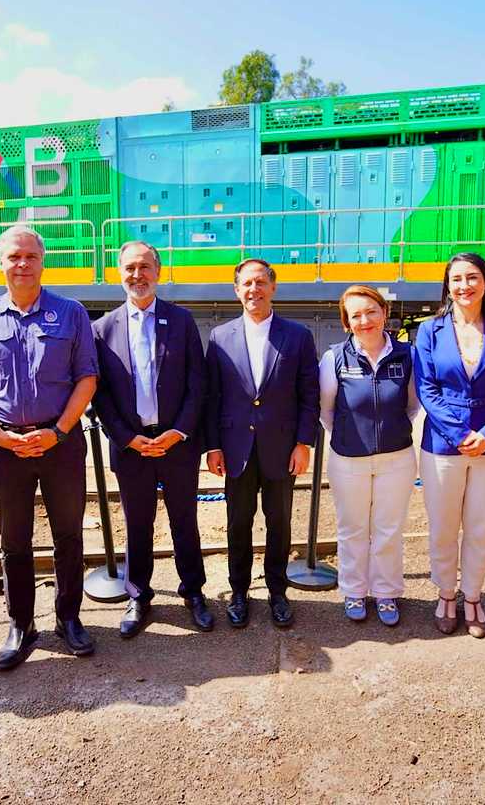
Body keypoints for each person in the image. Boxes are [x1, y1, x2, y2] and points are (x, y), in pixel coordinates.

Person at [0, 225, 99, 669]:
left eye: (30, 257)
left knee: (69, 535)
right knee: (14, 539)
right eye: (13, 257)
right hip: (6, 446)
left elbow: (87, 379)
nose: (22, 264)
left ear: (42, 261)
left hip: (61, 442)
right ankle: (21, 624)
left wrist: (58, 431)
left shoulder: (71, 313)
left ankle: (69, 618)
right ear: (0, 262)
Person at [92, 241, 213, 638]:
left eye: (145, 267)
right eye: (129, 268)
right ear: (119, 273)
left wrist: (179, 431)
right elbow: (101, 394)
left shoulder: (181, 321)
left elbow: (198, 383)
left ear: (158, 272)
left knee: (184, 520)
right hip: (132, 447)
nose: (137, 275)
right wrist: (127, 438)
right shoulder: (102, 329)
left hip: (177, 442)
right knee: (137, 523)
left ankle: (193, 592)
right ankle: (139, 596)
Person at [205, 258, 320, 628]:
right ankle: (239, 591)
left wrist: (303, 442)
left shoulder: (298, 335)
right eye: (246, 284)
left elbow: (309, 394)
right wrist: (213, 446)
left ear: (273, 287)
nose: (253, 290)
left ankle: (277, 590)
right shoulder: (220, 337)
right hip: (236, 449)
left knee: (279, 522)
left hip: (282, 449)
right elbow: (214, 398)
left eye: (260, 282)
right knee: (238, 522)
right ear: (236, 291)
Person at [413, 253, 485, 639]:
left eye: (472, 277)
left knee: (481, 527)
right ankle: (445, 594)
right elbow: (427, 388)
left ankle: (473, 596)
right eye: (456, 279)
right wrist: (460, 434)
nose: (464, 286)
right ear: (447, 285)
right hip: (443, 445)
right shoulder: (429, 331)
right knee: (443, 527)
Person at [319, 285, 419, 626]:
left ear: (384, 314)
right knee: (352, 529)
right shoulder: (335, 358)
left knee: (389, 529)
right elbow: (326, 409)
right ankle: (354, 591)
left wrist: (389, 431)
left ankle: (387, 592)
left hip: (397, 458)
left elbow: (413, 405)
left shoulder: (407, 356)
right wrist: (351, 437)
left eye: (371, 312)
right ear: (347, 323)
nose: (365, 321)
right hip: (348, 459)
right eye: (356, 315)